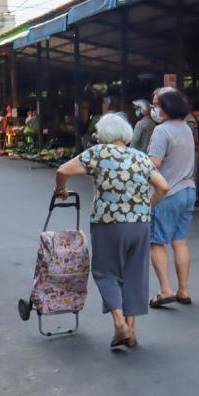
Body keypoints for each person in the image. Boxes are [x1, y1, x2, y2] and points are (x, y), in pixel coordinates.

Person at [55, 113, 169, 348]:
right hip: (139, 224)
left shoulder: (98, 153)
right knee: (134, 274)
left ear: (103, 135)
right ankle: (132, 331)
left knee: (106, 272)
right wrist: (146, 205)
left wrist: (61, 190)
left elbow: (63, 171)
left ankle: (119, 324)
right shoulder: (140, 157)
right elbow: (163, 187)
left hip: (108, 222)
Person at [147, 88, 198, 308]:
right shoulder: (186, 128)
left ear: (167, 106)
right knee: (180, 242)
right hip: (188, 190)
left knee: (156, 242)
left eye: (157, 104)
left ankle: (165, 290)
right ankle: (183, 290)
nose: (154, 108)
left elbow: (154, 165)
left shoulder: (161, 131)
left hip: (167, 192)